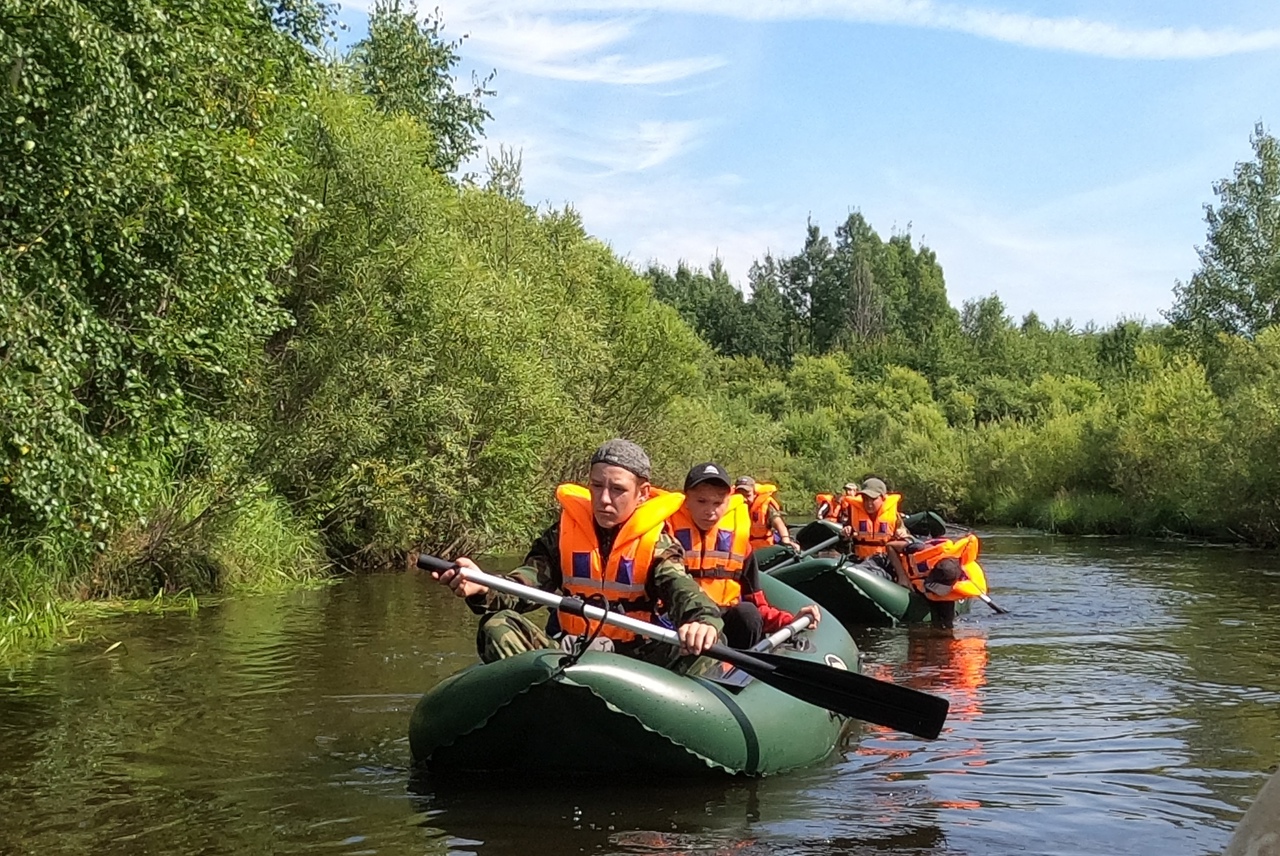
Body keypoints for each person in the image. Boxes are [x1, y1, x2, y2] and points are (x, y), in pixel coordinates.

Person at [430, 439, 723, 671]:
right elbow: (527, 583)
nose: (604, 499)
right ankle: (539, 705)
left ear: (643, 493)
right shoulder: (562, 535)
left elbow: (681, 588)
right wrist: (483, 586)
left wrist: (702, 620)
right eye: (597, 486)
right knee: (497, 624)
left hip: (634, 659)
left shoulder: (658, 544)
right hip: (571, 650)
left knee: (708, 646)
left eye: (618, 489)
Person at [668, 463, 821, 648]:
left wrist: (789, 620)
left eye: (717, 503)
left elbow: (758, 607)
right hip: (682, 625)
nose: (710, 511)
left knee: (747, 613)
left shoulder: (740, 546)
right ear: (687, 501)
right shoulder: (666, 538)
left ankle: (741, 669)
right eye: (701, 501)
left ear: (728, 502)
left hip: (725, 622)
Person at [839, 476, 911, 569]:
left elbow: (907, 537)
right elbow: (844, 546)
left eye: (873, 499)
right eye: (865, 499)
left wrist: (902, 534)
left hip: (885, 562)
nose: (869, 504)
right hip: (860, 561)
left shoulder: (894, 516)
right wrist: (845, 536)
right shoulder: (853, 513)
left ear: (883, 498)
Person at [734, 476, 795, 551]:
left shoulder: (765, 506)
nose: (744, 499)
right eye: (740, 496)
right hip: (741, 550)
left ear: (755, 493)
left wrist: (786, 539)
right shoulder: (729, 506)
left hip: (764, 549)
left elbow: (778, 523)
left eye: (748, 495)